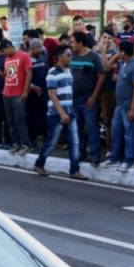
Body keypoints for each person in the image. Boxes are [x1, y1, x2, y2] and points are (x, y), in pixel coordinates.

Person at [34, 46, 87, 180]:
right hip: (56, 114)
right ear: (59, 57)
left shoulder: (68, 71)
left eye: (71, 55)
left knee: (75, 142)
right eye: (68, 55)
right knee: (51, 142)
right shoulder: (52, 73)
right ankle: (39, 164)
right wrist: (62, 113)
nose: (71, 57)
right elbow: (52, 95)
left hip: (70, 111)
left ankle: (75, 170)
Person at [69, 31, 107, 166]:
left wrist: (93, 96)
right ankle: (81, 153)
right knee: (77, 128)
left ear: (80, 43)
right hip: (74, 99)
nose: (71, 44)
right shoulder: (71, 56)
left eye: (73, 42)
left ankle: (95, 155)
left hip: (88, 99)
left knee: (91, 127)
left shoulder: (93, 56)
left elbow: (102, 76)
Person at [106, 41, 134, 171]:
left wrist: (133, 109)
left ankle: (129, 160)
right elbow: (107, 66)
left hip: (129, 105)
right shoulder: (123, 63)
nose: (117, 52)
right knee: (116, 132)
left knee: (130, 134)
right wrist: (117, 56)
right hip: (119, 104)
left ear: (124, 52)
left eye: (119, 50)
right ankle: (114, 158)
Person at [1, 39, 33, 154]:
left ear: (9, 46)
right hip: (7, 93)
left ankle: (25, 144)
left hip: (18, 94)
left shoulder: (24, 56)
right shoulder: (7, 59)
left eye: (4, 51)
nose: (4, 54)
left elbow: (29, 73)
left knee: (20, 120)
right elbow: (7, 74)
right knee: (10, 121)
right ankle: (16, 143)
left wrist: (25, 91)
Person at [26, 37, 49, 145]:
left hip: (43, 92)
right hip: (31, 93)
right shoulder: (26, 59)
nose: (41, 50)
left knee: (44, 114)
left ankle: (46, 137)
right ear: (33, 48)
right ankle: (32, 139)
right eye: (39, 48)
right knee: (30, 116)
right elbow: (23, 76)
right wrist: (33, 86)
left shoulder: (42, 57)